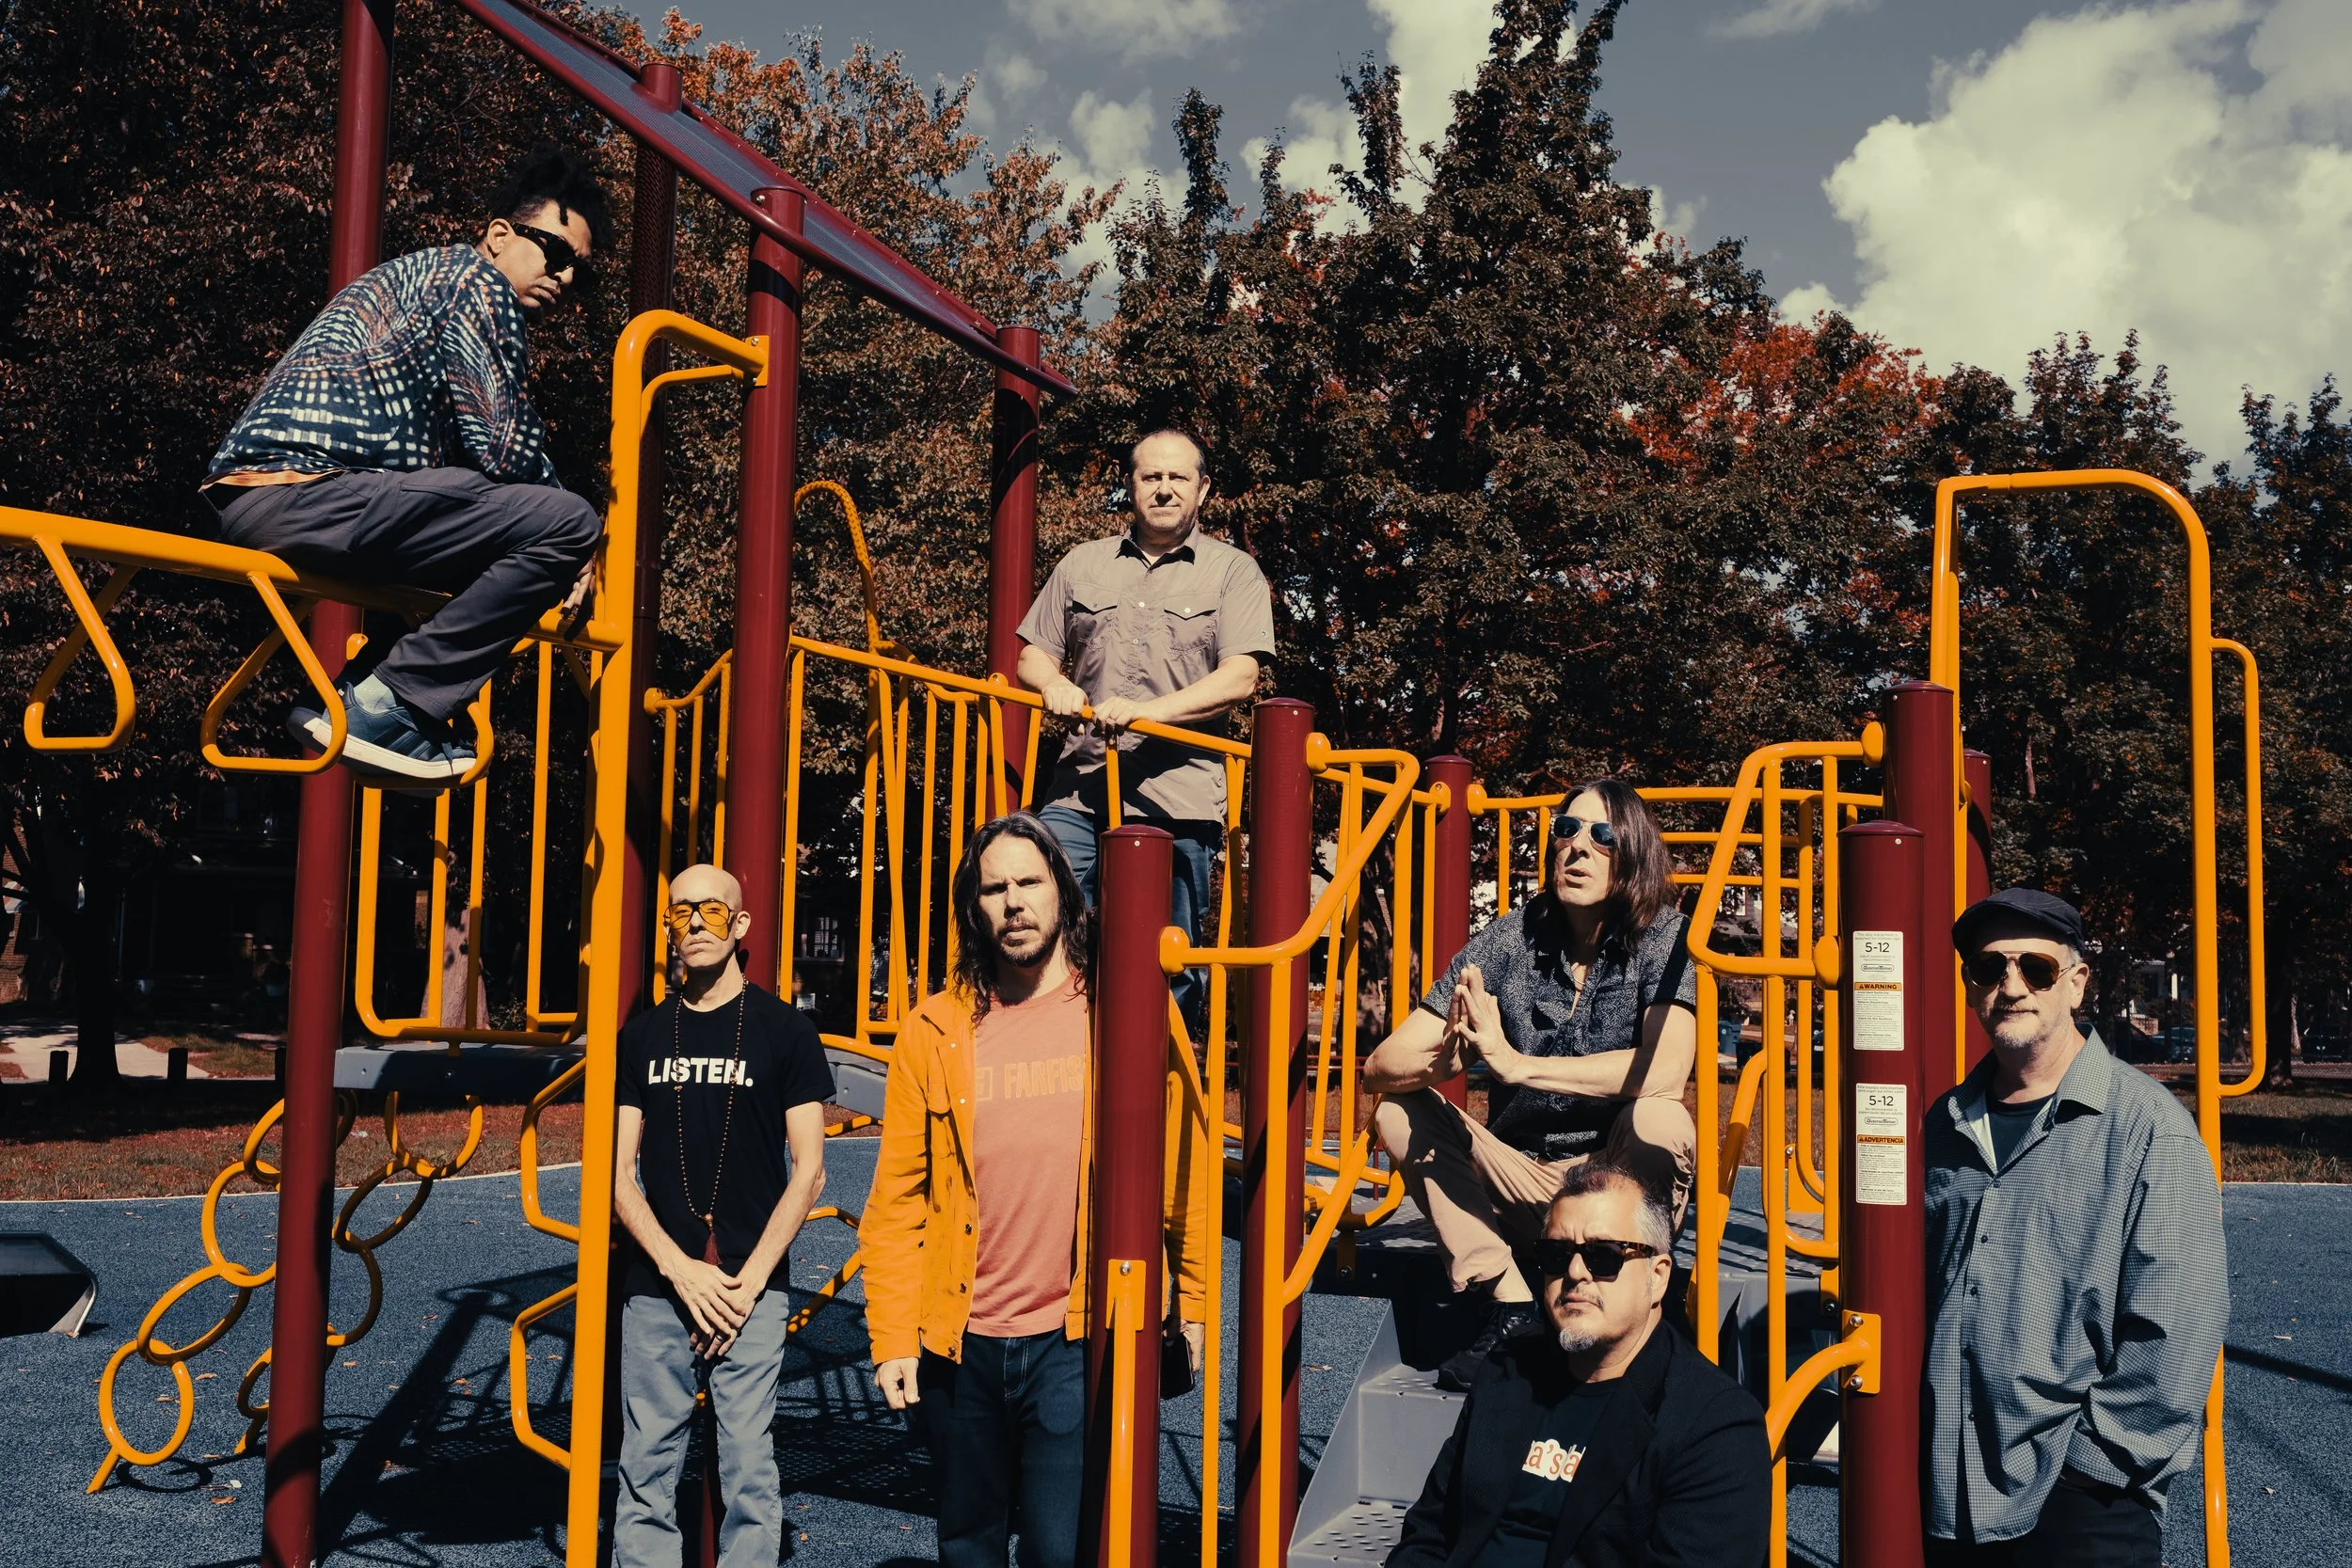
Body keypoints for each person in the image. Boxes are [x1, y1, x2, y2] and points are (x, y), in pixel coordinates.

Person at [861, 813, 1211, 1568]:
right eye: (994, 888)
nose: (1013, 901)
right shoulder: (936, 1028)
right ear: (974, 907)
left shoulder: (1123, 1011)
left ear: (1062, 892)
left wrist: (1197, 1304)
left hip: (1072, 1333)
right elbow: (896, 1201)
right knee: (969, 1546)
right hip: (962, 1336)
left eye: (1029, 881)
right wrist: (892, 1336)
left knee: (1062, 1550)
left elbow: (1185, 1171)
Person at [200, 145, 611, 785]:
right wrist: (588, 545)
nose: (563, 277)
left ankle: (351, 698)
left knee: (487, 542)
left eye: (578, 272)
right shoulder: (475, 282)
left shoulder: (429, 284)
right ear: (499, 236)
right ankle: (394, 703)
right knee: (563, 523)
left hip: (277, 492)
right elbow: (501, 443)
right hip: (306, 489)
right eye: (555, 253)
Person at [1924, 888, 2228, 1567]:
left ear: (2076, 983)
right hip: (1948, 1493)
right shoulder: (1943, 1127)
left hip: (2083, 1501)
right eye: (1988, 967)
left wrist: (2089, 1466)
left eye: (2036, 968)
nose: (2010, 985)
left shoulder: (2148, 1129)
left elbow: (2176, 1336)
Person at [1364, 779, 1699, 1390]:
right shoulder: (1515, 936)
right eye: (1565, 831)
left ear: (1634, 851)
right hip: (1521, 1174)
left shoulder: (1664, 937)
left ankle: (1640, 1293)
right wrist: (1450, 1057)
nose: (1577, 848)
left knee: (1662, 1119)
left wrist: (1515, 1064)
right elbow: (1381, 1063)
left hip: (1610, 1179)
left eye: (1601, 836)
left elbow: (1667, 1070)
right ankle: (1510, 1300)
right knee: (1397, 1110)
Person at [612, 863, 834, 1568]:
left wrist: (742, 1285)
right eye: (681, 912)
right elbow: (617, 1176)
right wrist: (681, 1273)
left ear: (740, 926)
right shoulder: (642, 1035)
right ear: (668, 929)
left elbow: (810, 1171)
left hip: (750, 1286)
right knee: (646, 1468)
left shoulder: (786, 1030)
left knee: (748, 1469)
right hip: (658, 1283)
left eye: (712, 910)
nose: (696, 923)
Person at [1014, 428, 1276, 1024]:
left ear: (1203, 489)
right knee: (1030, 888)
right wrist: (1054, 683)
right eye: (1150, 477)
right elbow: (1032, 653)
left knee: (1168, 954)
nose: (1164, 489)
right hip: (1081, 786)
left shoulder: (1232, 572)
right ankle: (1053, 1046)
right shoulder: (1083, 564)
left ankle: (1159, 1092)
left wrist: (1147, 712)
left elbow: (1240, 677)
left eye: (1178, 477)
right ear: (1130, 486)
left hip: (1176, 795)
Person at [1390, 1160, 1770, 1568]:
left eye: (1603, 1255)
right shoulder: (1510, 1368)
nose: (1574, 1272)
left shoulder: (1714, 1425)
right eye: (1556, 1254)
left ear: (1657, 1278)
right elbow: (1429, 1533)